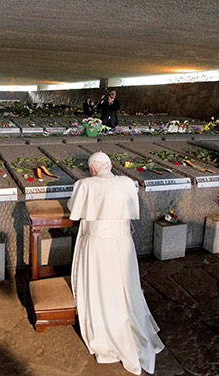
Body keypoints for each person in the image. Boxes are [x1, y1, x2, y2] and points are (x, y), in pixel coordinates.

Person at [68, 152, 164, 374]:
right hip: (123, 244)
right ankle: (128, 321)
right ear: (109, 166)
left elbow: (74, 211)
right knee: (124, 284)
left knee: (102, 285)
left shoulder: (85, 184)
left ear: (92, 169)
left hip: (99, 245)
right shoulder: (127, 182)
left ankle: (106, 327)